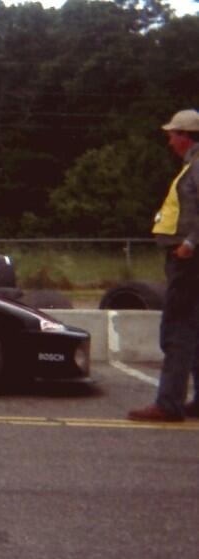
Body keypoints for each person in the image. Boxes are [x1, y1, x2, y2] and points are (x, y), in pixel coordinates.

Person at [128, 109, 199, 422]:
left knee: (177, 329)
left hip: (189, 260)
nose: (170, 141)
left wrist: (190, 244)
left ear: (185, 136)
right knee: (193, 328)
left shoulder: (196, 167)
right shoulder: (191, 166)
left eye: (172, 135)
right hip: (188, 258)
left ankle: (168, 402)